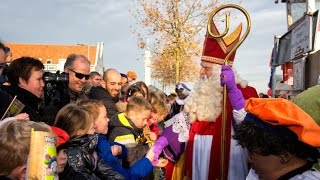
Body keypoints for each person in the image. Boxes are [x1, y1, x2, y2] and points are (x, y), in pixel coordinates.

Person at [183, 23, 259, 180]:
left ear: (220, 69)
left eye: (206, 68)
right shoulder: (199, 91)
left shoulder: (245, 92)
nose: (201, 71)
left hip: (231, 159)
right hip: (198, 159)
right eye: (202, 66)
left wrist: (233, 93)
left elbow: (252, 128)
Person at [78, 99, 155, 180]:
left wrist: (120, 149)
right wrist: (148, 158)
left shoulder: (99, 141)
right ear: (92, 123)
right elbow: (124, 176)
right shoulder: (101, 148)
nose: (108, 120)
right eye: (105, 117)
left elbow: (125, 151)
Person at [54, 103, 124, 179]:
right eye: (90, 122)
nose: (94, 125)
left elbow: (106, 170)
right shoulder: (75, 153)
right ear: (79, 131)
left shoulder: (89, 146)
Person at [42, 54, 90, 125]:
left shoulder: (85, 98)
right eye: (79, 75)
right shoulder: (49, 93)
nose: (83, 80)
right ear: (67, 71)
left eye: (87, 76)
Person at [107, 96, 153, 168]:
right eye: (144, 119)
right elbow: (131, 160)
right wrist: (150, 146)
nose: (146, 123)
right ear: (132, 115)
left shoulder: (129, 126)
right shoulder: (123, 133)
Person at [1, 57, 45, 122]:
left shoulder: (27, 103)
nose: (43, 84)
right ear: (23, 81)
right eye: (38, 79)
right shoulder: (17, 108)